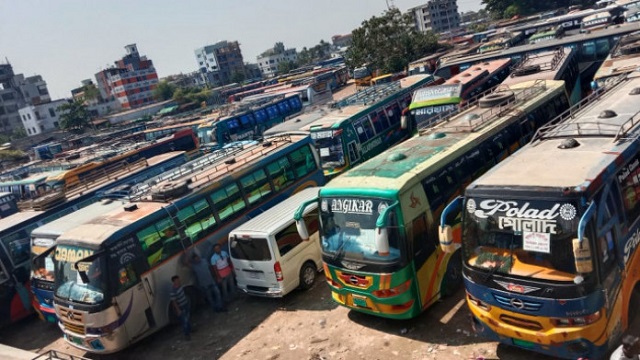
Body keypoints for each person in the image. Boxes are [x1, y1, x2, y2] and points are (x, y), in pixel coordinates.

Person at [170, 275, 191, 340]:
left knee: (187, 318)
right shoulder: (173, 291)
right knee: (184, 321)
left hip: (185, 304)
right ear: (174, 282)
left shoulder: (180, 286)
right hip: (181, 307)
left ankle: (190, 329)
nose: (179, 281)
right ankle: (186, 334)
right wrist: (178, 310)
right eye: (177, 280)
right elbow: (174, 301)